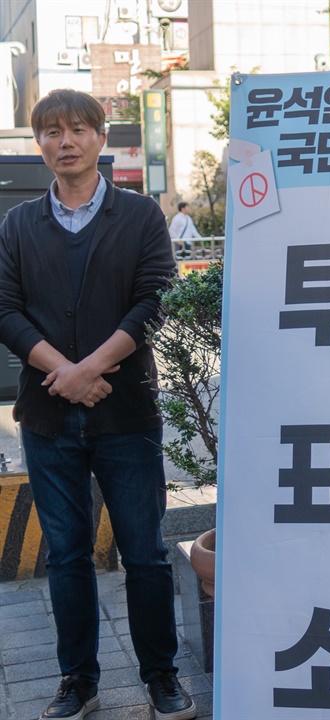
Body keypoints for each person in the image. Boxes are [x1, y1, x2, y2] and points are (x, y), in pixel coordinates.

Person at [0, 89, 194, 720]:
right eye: (52, 132)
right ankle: (76, 680)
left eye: (78, 128)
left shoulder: (140, 215)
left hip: (125, 412)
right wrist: (67, 373)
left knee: (145, 551)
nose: (66, 141)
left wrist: (93, 367)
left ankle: (161, 677)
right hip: (50, 413)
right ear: (40, 144)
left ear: (100, 137)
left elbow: (154, 298)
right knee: (66, 555)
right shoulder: (18, 223)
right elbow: (5, 309)